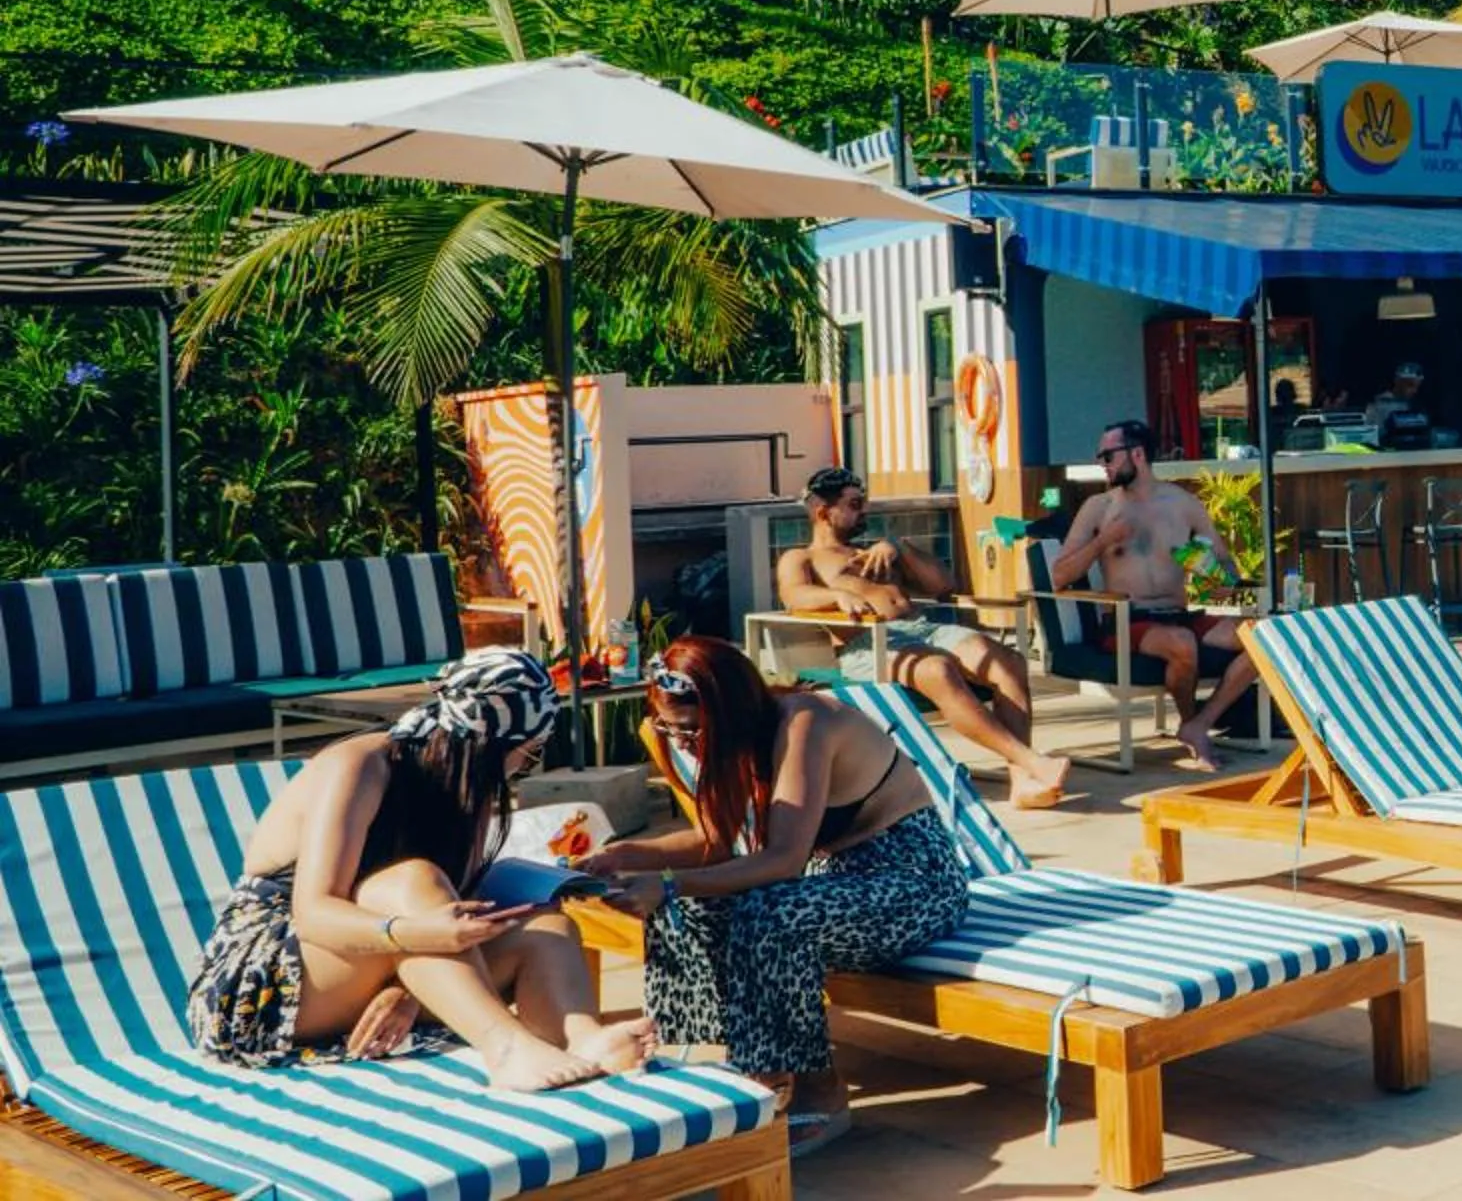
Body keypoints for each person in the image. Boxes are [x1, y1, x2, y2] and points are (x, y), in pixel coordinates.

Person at [186, 649, 655, 1091]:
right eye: (529, 751)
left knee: (547, 929)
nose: (523, 766)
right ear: (495, 741)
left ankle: (583, 1039)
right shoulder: (360, 766)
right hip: (261, 988)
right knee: (412, 878)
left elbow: (449, 923)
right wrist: (409, 937)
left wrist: (405, 986)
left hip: (367, 966)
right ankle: (506, 1047)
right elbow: (314, 913)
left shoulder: (469, 789)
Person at [584, 638, 968, 1158]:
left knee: (770, 909)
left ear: (732, 710)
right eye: (667, 728)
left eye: (691, 729)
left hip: (915, 883)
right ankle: (734, 1060)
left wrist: (667, 883)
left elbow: (783, 859)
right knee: (701, 904)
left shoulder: (805, 723)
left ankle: (819, 1089)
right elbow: (715, 842)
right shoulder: (732, 739)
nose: (682, 742)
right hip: (835, 883)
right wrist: (629, 855)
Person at [776, 465, 1071, 808]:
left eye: (865, 502)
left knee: (1008, 661)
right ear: (824, 512)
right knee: (939, 669)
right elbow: (793, 594)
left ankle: (1021, 782)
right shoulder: (802, 557)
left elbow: (943, 585)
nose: (865, 511)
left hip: (925, 630)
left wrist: (900, 549)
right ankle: (1032, 762)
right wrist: (836, 596)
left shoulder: (876, 550)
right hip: (870, 643)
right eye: (855, 504)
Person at [1051, 419, 1262, 769]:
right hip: (1126, 621)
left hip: (1180, 615)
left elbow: (1228, 572)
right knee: (1181, 643)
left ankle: (1199, 725)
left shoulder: (1183, 504)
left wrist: (1206, 568)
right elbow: (1059, 576)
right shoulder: (1099, 508)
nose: (1102, 464)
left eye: (1108, 456)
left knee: (1262, 638)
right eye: (1100, 457)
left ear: (1137, 454)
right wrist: (1103, 541)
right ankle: (1192, 724)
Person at [1361, 362, 1427, 440]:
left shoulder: (1416, 405)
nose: (1414, 391)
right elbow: (1370, 434)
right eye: (1410, 385)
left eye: (1417, 386)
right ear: (1397, 382)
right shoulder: (1377, 405)